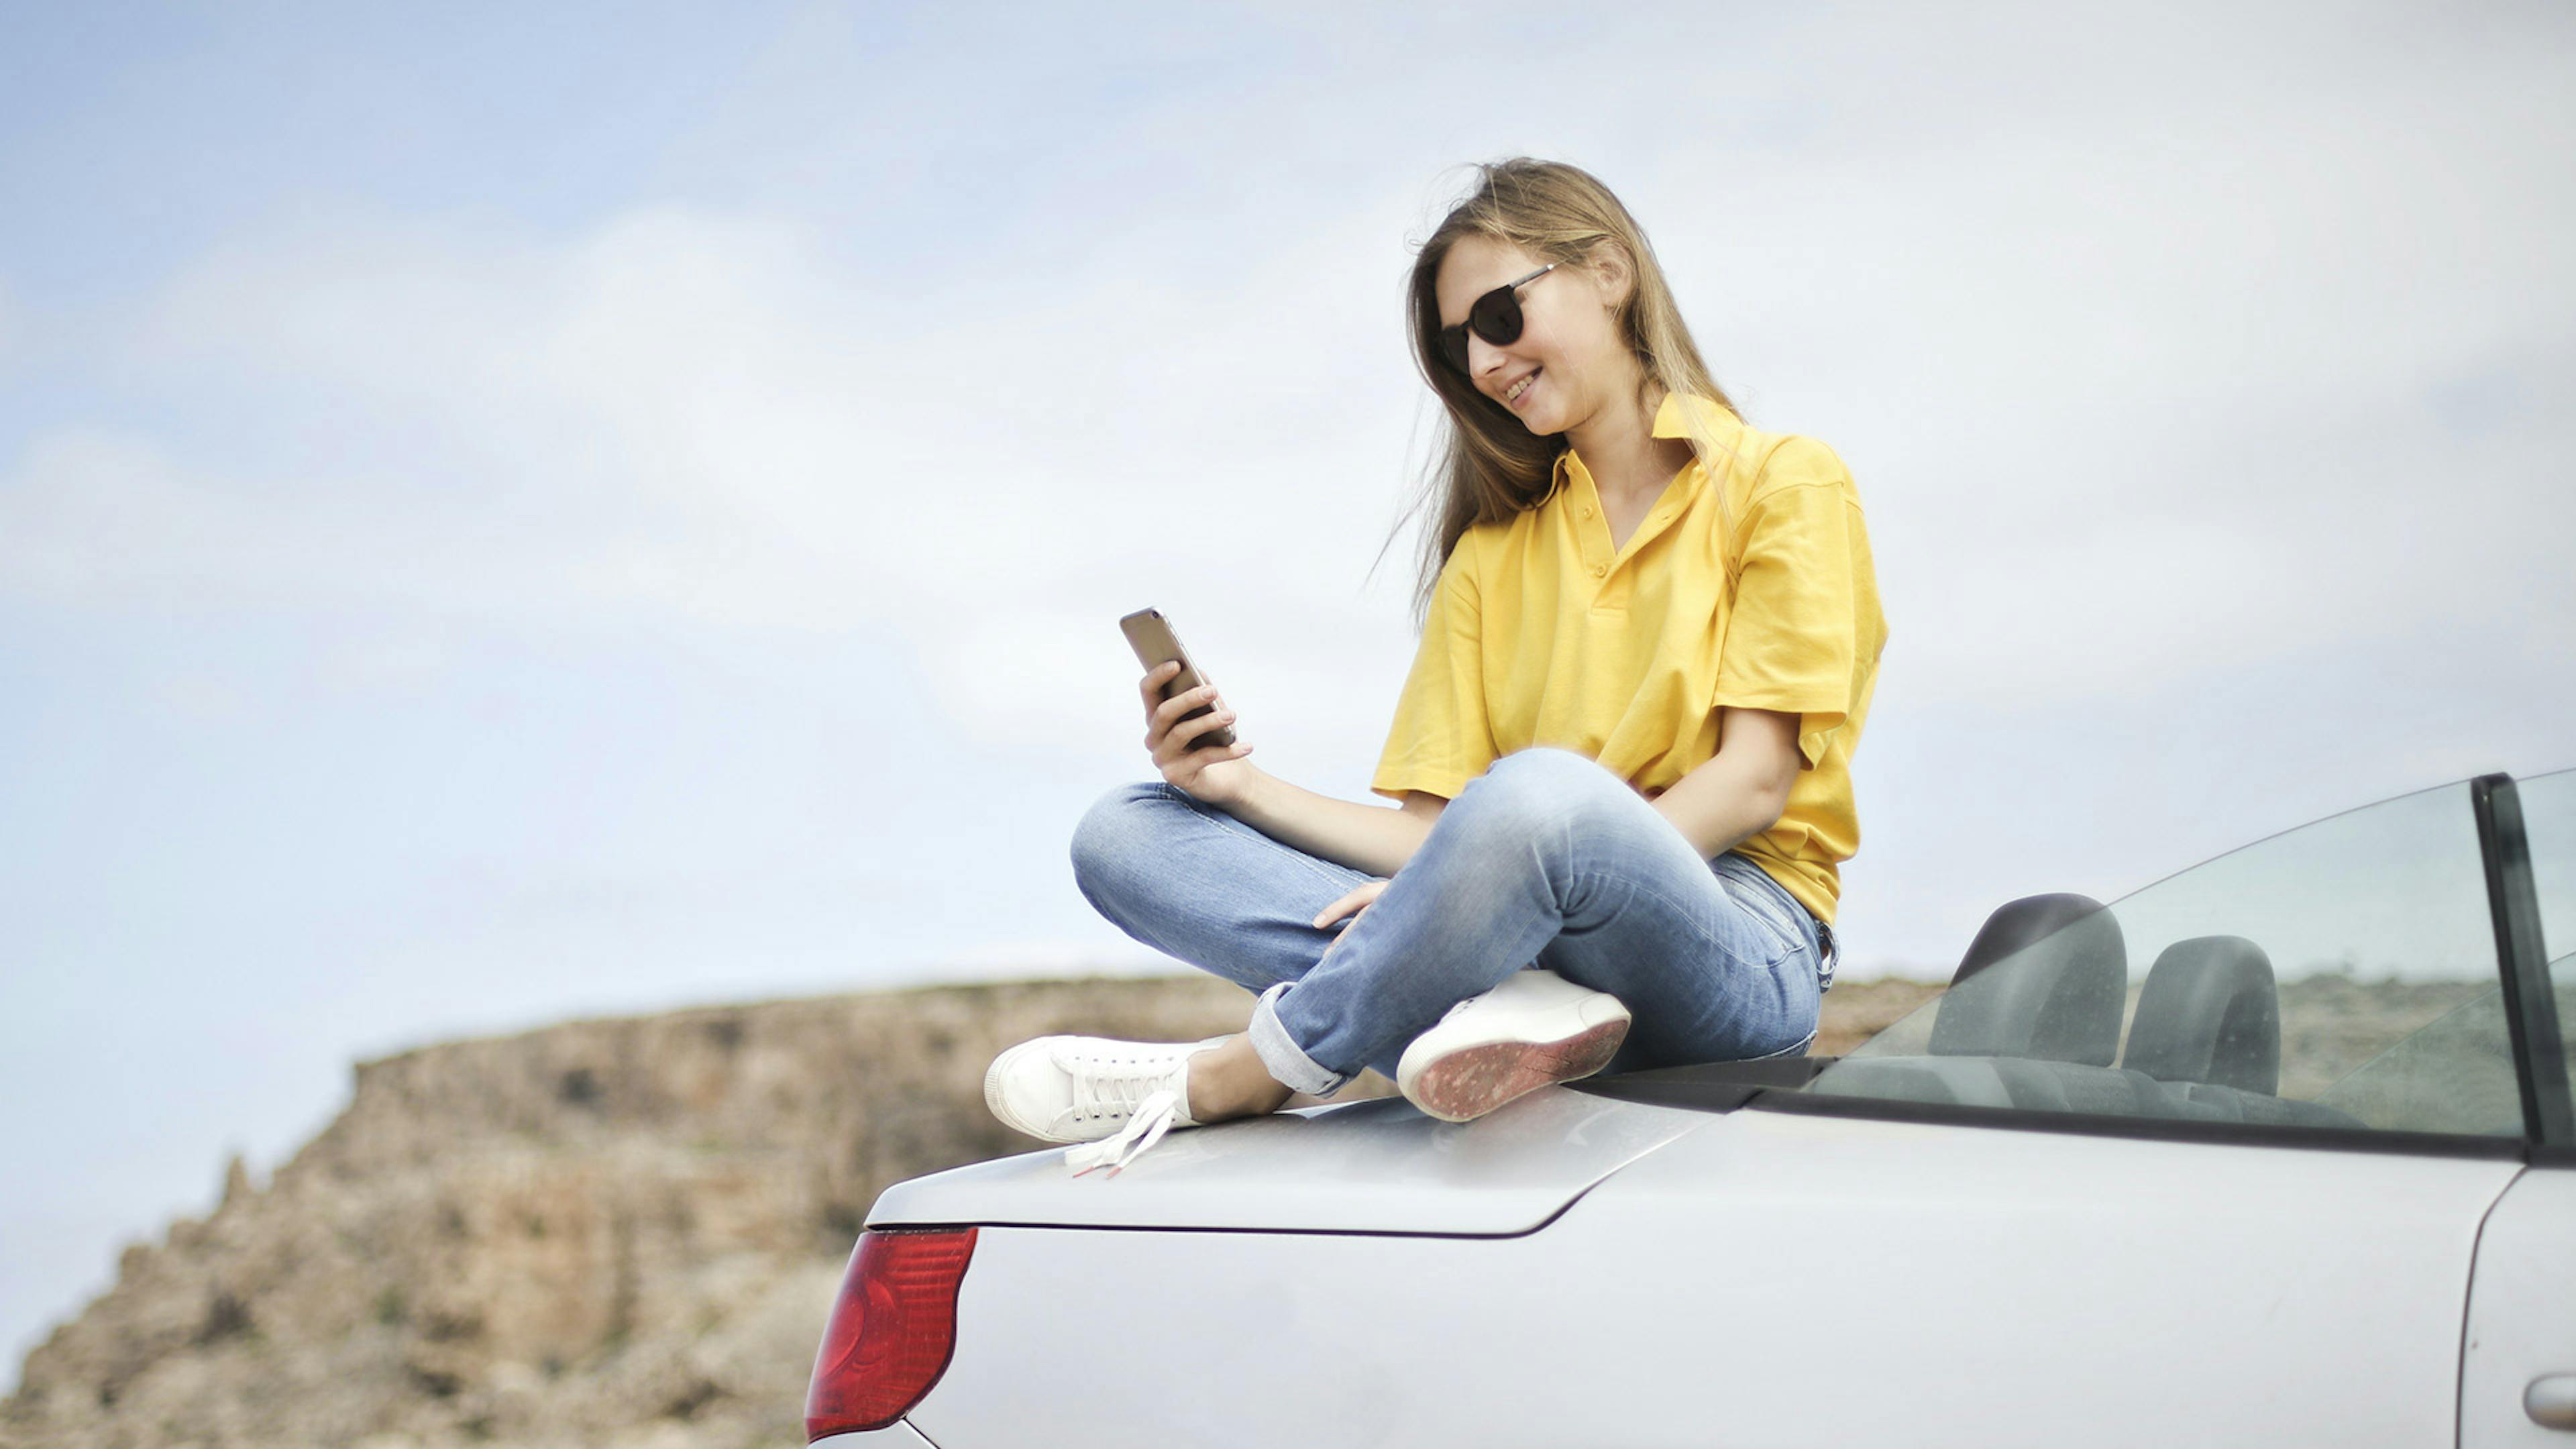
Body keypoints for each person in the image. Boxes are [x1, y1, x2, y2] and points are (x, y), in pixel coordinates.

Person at [985, 157, 1888, 1173]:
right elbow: (1433, 836)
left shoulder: (1784, 482)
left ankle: (1250, 1070)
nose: (1486, 360)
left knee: (1546, 798)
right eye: (1460, 347)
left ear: (1608, 272)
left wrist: (1493, 888)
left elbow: (1755, 779)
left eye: (1499, 316)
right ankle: (1496, 1008)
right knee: (1125, 833)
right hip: (1520, 938)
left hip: (1735, 938)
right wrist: (1238, 786)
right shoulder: (1491, 559)